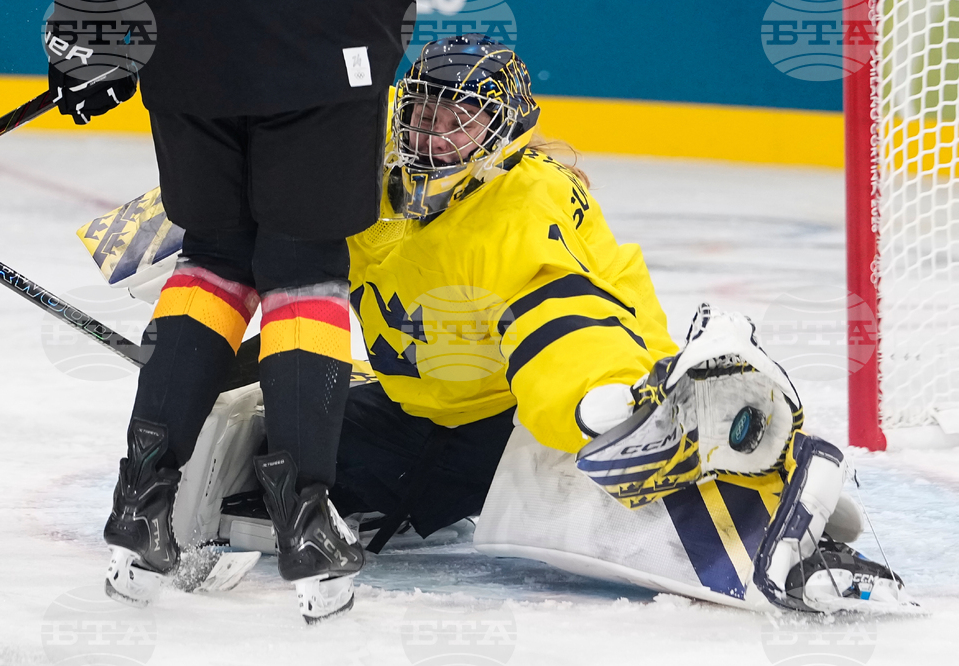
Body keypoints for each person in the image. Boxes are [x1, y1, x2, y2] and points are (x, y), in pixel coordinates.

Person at [103, 34, 910, 613]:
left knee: (613, 480)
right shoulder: (363, 169)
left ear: (503, 130)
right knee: (261, 466)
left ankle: (766, 500)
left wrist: (593, 402)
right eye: (422, 112)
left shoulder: (530, 198)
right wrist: (188, 302)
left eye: (458, 120)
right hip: (416, 410)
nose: (431, 134)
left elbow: (562, 321)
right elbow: (252, 219)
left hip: (530, 412)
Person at [45, 0, 413, 618]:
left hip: (187, 53)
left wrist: (83, 37)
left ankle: (141, 502)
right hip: (324, 48)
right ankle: (306, 521)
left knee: (213, 261)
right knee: (304, 272)